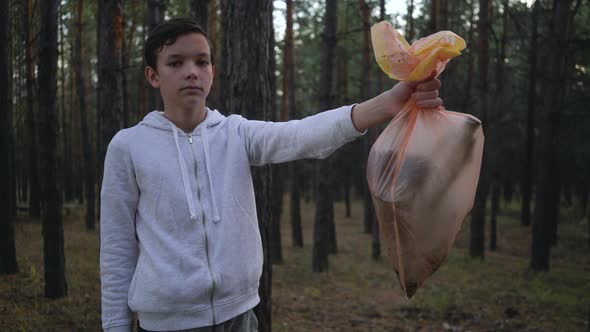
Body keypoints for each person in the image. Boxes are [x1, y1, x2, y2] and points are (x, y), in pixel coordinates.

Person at [100, 17, 443, 332]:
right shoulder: (129, 147)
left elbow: (302, 135)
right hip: (166, 324)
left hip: (241, 317)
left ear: (213, 71)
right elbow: (117, 249)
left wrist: (389, 102)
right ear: (153, 75)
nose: (192, 71)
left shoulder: (236, 134)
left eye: (202, 61)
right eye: (176, 62)